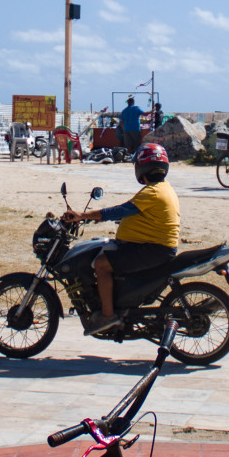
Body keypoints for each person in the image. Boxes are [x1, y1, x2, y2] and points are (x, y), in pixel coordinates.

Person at [68, 141, 179, 334]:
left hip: (154, 250)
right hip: (154, 247)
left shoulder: (153, 192)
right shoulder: (164, 188)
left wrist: (83, 215)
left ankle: (108, 315)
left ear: (141, 167)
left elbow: (122, 210)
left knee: (101, 264)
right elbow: (139, 215)